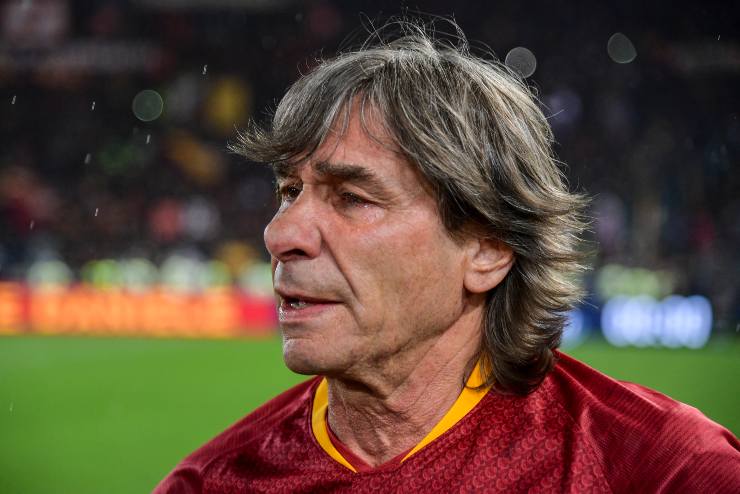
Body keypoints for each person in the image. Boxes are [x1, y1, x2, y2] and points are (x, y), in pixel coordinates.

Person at [155, 21, 739, 493]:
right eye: (289, 191)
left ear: (488, 248)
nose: (281, 233)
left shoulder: (665, 471)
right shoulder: (211, 484)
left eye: (352, 197)